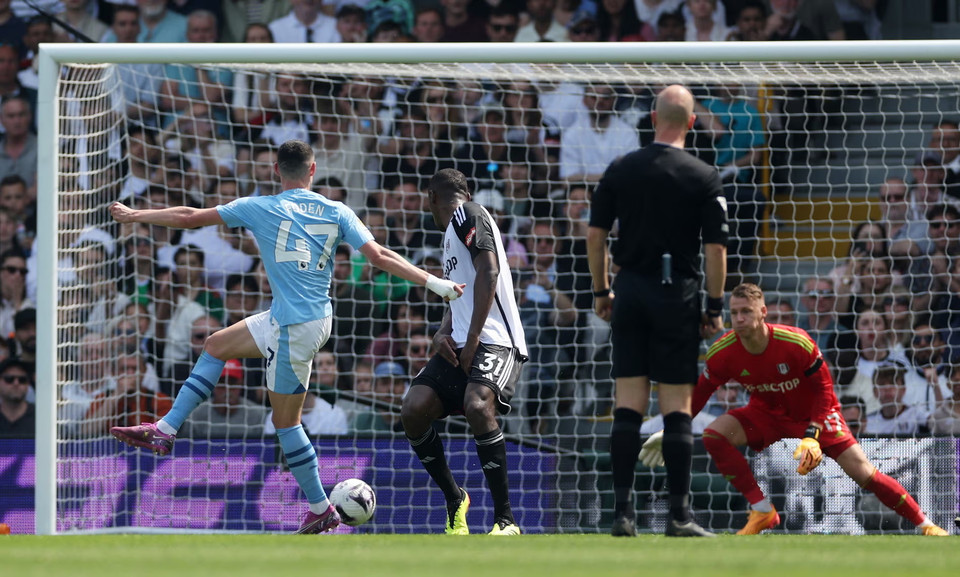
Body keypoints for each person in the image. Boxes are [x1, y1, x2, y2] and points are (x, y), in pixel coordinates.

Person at [107, 140, 464, 535]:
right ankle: (166, 429)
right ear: (312, 171)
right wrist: (434, 282)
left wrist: (136, 214)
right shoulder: (336, 210)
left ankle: (320, 508)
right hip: (295, 317)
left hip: (297, 326)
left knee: (286, 423)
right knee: (215, 345)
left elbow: (191, 216)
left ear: (276, 171)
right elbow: (379, 256)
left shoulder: (261, 206)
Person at [639, 283, 949, 536]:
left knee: (864, 473)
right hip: (766, 413)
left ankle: (926, 525)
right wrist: (672, 428)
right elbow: (701, 394)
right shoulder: (722, 353)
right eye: (734, 312)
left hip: (815, 414)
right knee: (713, 436)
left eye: (746, 311)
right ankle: (762, 511)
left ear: (763, 313)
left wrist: (812, 435)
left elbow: (824, 390)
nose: (740, 318)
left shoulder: (795, 342)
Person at [587, 84, 728, 538]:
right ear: (690, 122)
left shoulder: (621, 169)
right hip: (678, 294)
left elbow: (595, 235)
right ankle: (679, 516)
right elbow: (715, 249)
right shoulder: (704, 176)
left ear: (652, 118)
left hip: (630, 290)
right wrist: (714, 304)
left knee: (627, 405)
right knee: (676, 410)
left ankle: (623, 515)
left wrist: (602, 290)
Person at [400, 168, 528, 536]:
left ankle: (506, 520)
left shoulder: (469, 214)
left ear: (431, 198)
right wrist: (442, 332)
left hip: (497, 340)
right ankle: (455, 498)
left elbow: (489, 274)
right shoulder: (450, 235)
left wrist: (471, 341)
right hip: (460, 340)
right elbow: (461, 293)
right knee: (414, 408)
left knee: (477, 405)